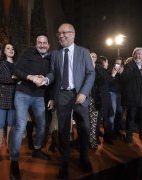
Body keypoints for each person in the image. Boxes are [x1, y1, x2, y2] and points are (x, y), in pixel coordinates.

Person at [35, 23, 95, 179]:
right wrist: (46, 80)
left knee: (84, 129)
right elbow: (53, 73)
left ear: (73, 34)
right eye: (59, 33)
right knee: (62, 131)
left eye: (64, 33)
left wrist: (83, 92)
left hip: (80, 95)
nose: (60, 36)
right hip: (62, 96)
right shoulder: (55, 54)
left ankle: (84, 158)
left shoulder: (84, 52)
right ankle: (64, 163)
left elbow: (91, 74)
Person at [9, 33, 51, 179]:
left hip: (39, 96)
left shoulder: (50, 57)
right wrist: (30, 77)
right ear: (36, 44)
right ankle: (14, 162)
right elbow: (15, 69)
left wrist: (46, 80)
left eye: (44, 42)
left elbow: (52, 75)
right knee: (20, 126)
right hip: (23, 93)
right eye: (39, 42)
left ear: (48, 45)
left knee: (42, 125)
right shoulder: (28, 52)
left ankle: (37, 149)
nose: (42, 45)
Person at [96, 56, 114, 144]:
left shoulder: (102, 70)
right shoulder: (99, 70)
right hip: (101, 97)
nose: (108, 64)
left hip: (104, 97)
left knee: (103, 118)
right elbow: (105, 81)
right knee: (100, 119)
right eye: (107, 62)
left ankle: (103, 137)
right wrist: (113, 74)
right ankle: (97, 138)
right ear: (103, 62)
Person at [88, 52, 102, 150]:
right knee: (83, 123)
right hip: (83, 99)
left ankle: (92, 142)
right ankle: (83, 142)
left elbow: (101, 82)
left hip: (94, 99)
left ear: (96, 59)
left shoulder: (99, 69)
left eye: (94, 56)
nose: (92, 58)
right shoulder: (82, 67)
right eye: (90, 56)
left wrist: (94, 69)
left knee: (93, 123)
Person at [109, 57, 124, 137]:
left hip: (120, 94)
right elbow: (108, 83)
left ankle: (116, 131)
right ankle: (110, 132)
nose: (118, 65)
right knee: (112, 114)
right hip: (112, 93)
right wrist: (113, 74)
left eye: (120, 64)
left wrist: (121, 73)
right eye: (116, 63)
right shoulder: (110, 70)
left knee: (119, 113)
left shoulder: (123, 72)